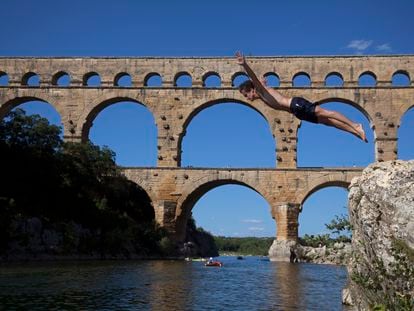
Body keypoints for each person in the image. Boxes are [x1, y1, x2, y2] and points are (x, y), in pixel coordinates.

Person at [235, 51, 367, 142]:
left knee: (326, 113)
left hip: (296, 104)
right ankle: (354, 131)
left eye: (246, 94)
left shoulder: (261, 90)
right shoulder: (261, 94)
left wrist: (244, 65)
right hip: (297, 112)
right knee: (327, 122)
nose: (247, 98)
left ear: (251, 89)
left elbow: (253, 78)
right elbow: (260, 84)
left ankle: (355, 125)